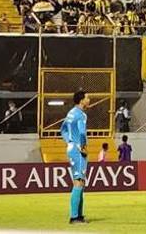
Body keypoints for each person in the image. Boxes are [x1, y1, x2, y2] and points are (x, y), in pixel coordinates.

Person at [60, 90, 90, 224]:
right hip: (78, 150)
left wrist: (69, 142)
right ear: (81, 100)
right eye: (87, 98)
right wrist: (82, 147)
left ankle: (79, 215)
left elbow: (63, 129)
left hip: (72, 148)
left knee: (81, 182)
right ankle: (74, 217)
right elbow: (82, 133)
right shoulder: (81, 115)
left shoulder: (70, 113)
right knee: (79, 181)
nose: (89, 100)